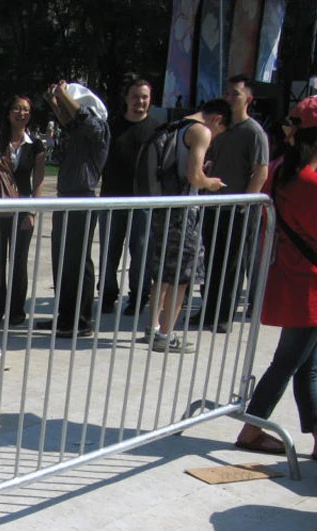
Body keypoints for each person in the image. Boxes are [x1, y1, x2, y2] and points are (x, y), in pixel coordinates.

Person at [235, 97, 317, 457]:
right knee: (291, 364)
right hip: (308, 285)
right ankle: (252, 431)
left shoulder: (283, 170)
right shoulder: (309, 182)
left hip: (294, 278)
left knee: (306, 365)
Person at [145, 99, 230, 354]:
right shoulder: (200, 131)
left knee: (161, 274)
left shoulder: (174, 126)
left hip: (164, 208)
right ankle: (166, 335)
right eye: (218, 132)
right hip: (185, 213)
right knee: (182, 278)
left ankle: (152, 329)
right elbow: (194, 176)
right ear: (216, 119)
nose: (214, 137)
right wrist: (211, 182)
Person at [197, 74, 269, 331]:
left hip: (238, 209)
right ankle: (208, 310)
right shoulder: (221, 128)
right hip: (214, 205)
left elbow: (260, 171)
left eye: (235, 94)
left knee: (232, 263)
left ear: (248, 99)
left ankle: (223, 316)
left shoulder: (254, 132)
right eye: (227, 93)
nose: (229, 98)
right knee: (212, 260)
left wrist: (245, 202)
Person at [37, 81, 109, 338]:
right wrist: (53, 101)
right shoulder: (80, 130)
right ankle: (66, 316)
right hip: (67, 198)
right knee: (63, 260)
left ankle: (80, 320)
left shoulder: (97, 127)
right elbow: (69, 119)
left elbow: (79, 116)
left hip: (82, 199)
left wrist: (63, 93)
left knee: (78, 262)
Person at [99, 79, 157, 315]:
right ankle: (107, 295)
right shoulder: (111, 127)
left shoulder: (157, 129)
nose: (139, 101)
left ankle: (138, 297)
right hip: (112, 199)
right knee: (109, 252)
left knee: (141, 253)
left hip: (144, 202)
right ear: (126, 98)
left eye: (144, 97)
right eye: (135, 96)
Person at [0, 94, 45, 326]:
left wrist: (32, 211)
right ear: (8, 112)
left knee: (19, 262)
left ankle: (16, 311)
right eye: (16, 109)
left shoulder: (36, 146)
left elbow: (39, 180)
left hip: (23, 209)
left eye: (26, 110)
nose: (21, 114)